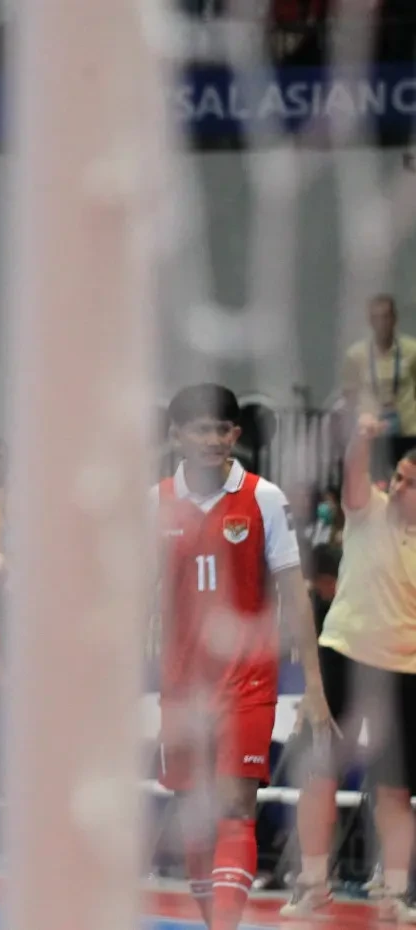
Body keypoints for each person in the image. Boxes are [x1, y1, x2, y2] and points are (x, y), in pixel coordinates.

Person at [150, 384, 330, 930]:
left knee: (234, 808)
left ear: (236, 434)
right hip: (183, 687)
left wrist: (316, 688)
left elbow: (295, 592)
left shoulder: (263, 499)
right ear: (177, 436)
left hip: (247, 682)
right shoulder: (153, 503)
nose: (211, 439)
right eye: (199, 428)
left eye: (221, 429)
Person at [283, 414, 416, 921]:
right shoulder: (368, 511)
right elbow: (355, 477)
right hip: (342, 657)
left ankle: (395, 893)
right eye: (398, 476)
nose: (398, 486)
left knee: (395, 789)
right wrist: (360, 439)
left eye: (410, 482)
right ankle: (313, 883)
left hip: (404, 671)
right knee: (320, 776)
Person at [341, 294, 416, 472]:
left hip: (408, 430)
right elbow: (350, 396)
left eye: (386, 316)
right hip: (371, 432)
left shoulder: (411, 350)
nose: (382, 323)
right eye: (376, 317)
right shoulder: (356, 355)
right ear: (370, 321)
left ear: (395, 319)